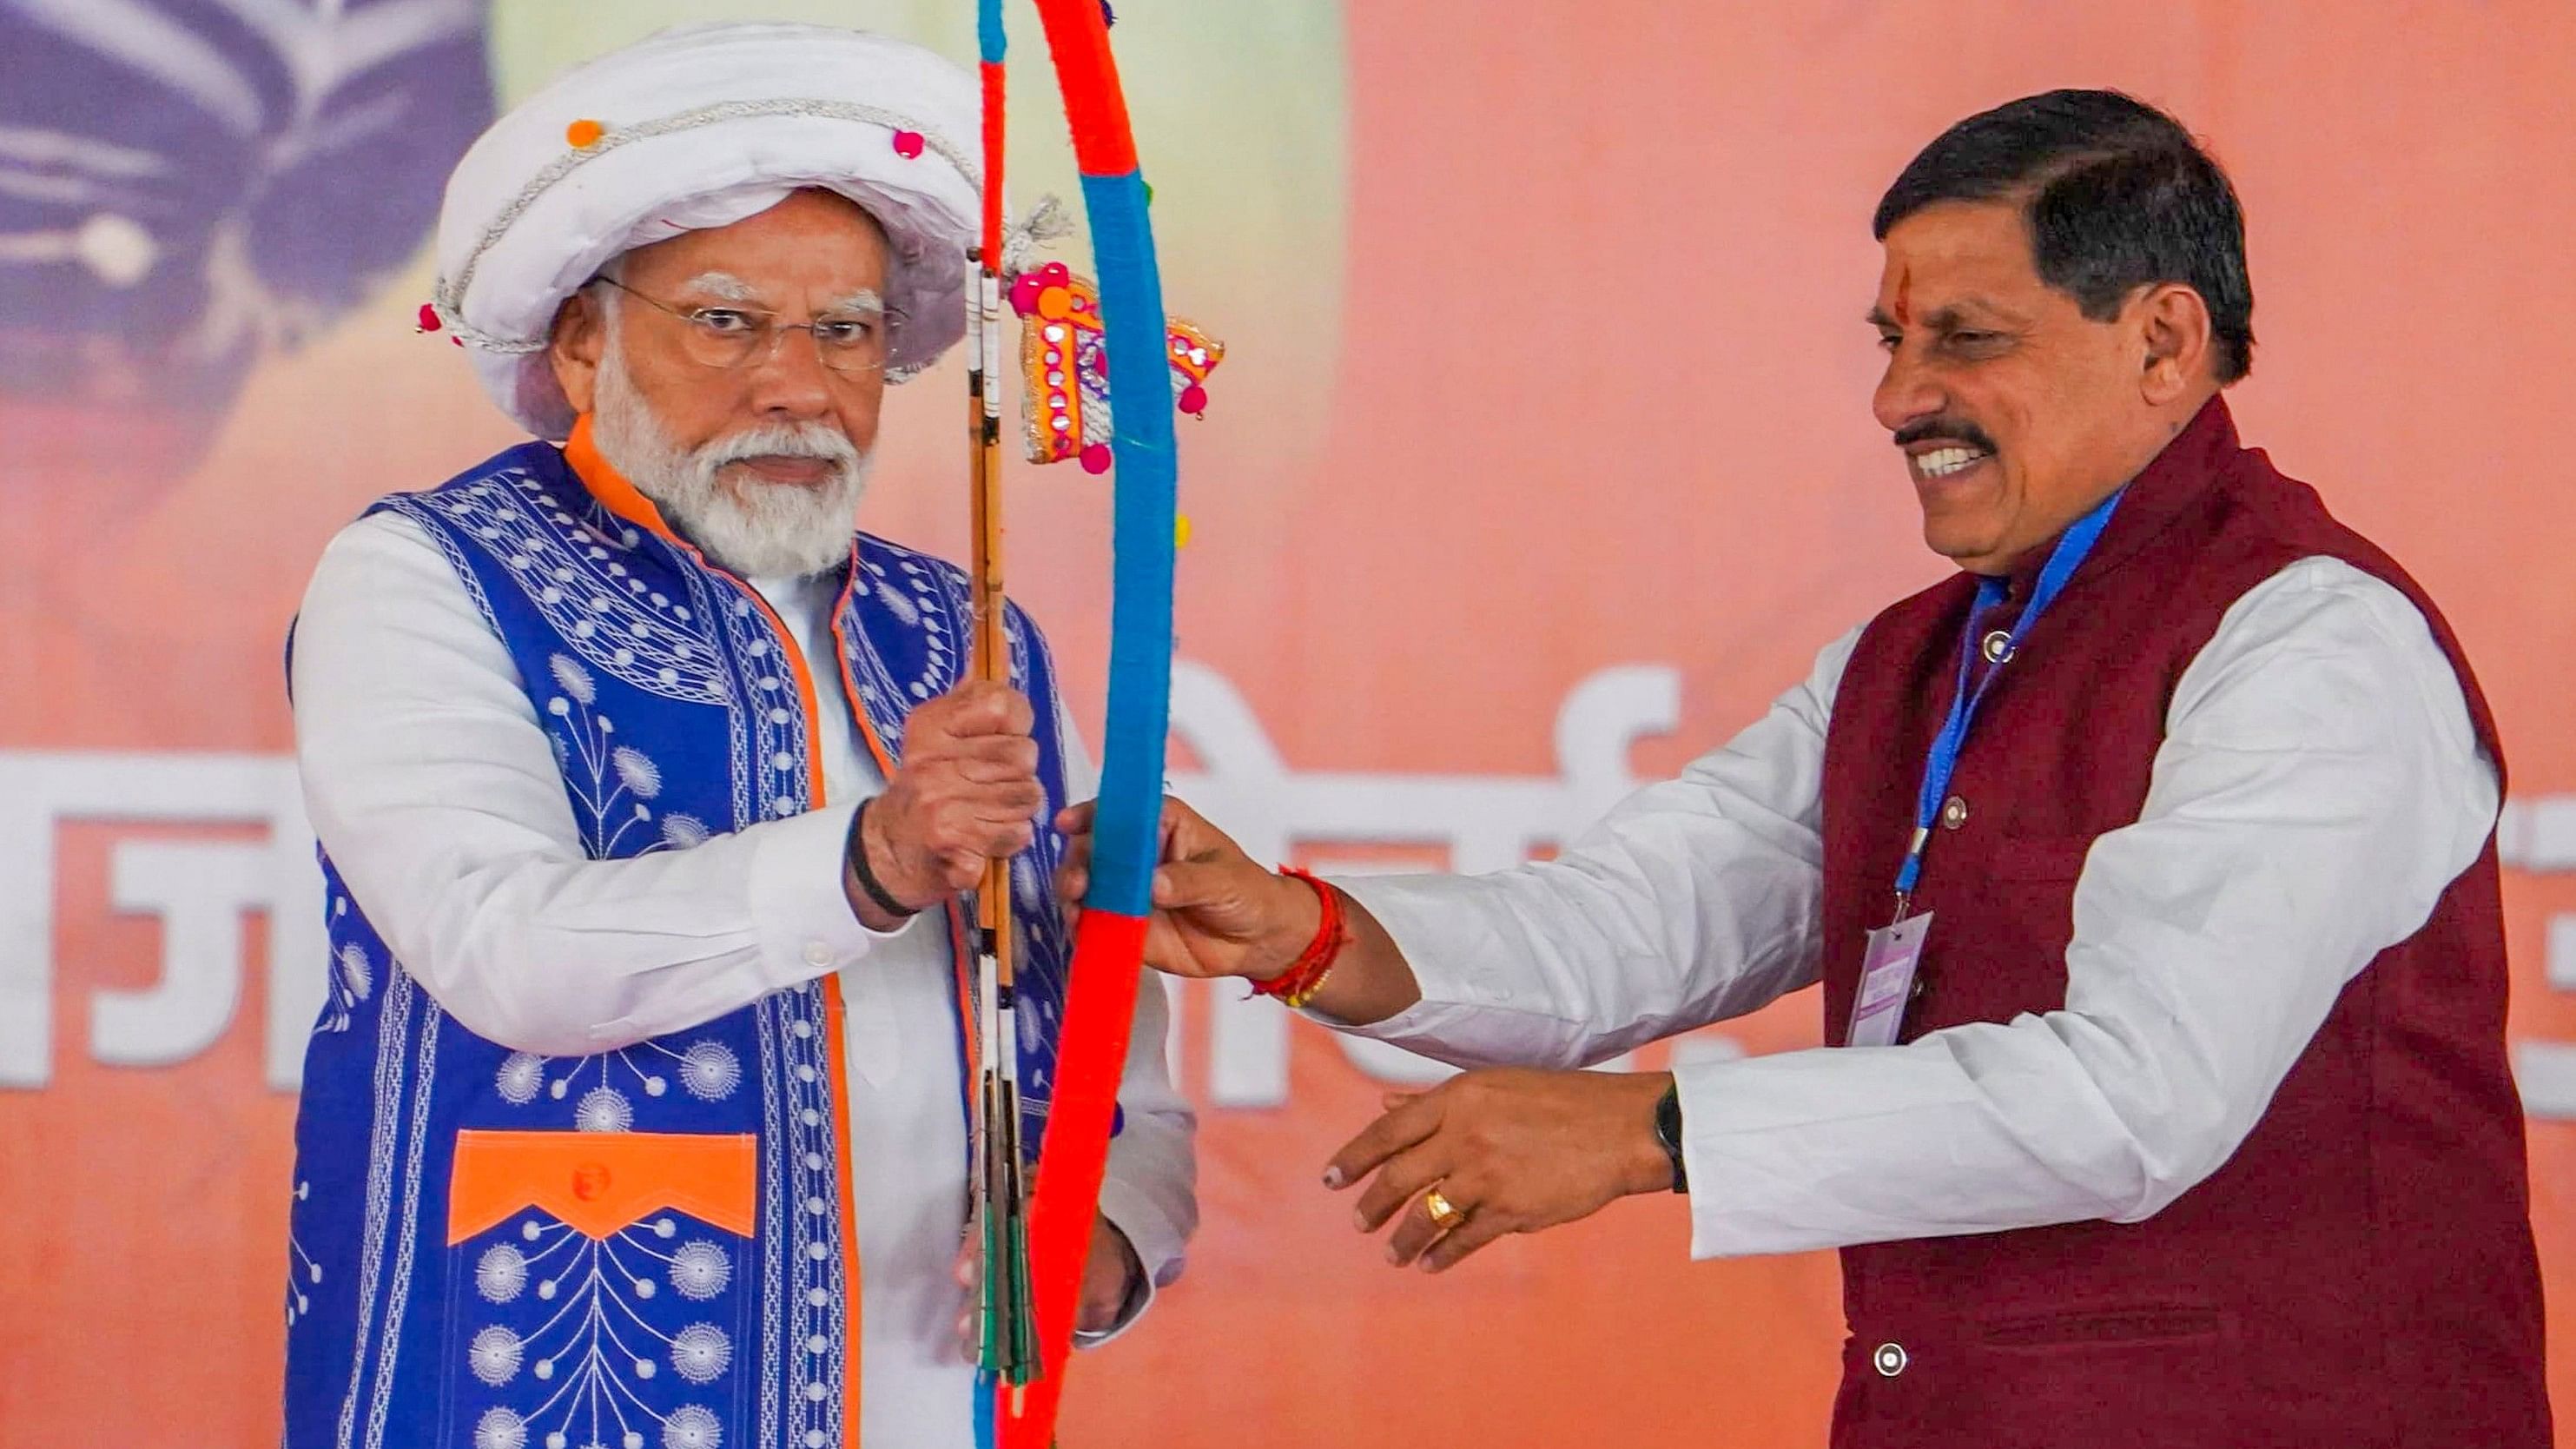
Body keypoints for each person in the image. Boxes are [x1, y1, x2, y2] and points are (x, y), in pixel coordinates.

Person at [1060, 89, 2547, 1446]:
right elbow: (1629, 927)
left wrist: (1652, 1134)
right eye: (1889, 341)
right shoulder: (1912, 663)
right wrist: (1305, 929)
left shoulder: (2309, 642)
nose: (1900, 398)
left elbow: (2131, 1098)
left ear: (2160, 342)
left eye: (1965, 338)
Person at [279, 24, 1193, 1449]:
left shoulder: (969, 628)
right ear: (582, 340)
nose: (795, 384)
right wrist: (871, 862)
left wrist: (1118, 1218)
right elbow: (502, 952)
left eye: (843, 332)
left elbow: (1098, 1005)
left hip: (927, 1393)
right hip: (546, 1381)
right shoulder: (427, 574)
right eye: (724, 321)